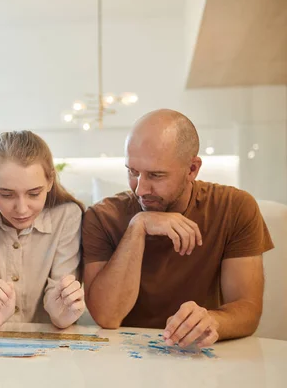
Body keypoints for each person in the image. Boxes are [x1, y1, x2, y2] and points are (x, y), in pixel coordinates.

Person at [83, 109, 273, 348]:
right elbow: (107, 317)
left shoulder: (235, 208)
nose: (140, 189)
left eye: (156, 175)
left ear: (192, 169)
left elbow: (247, 309)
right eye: (132, 172)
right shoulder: (101, 217)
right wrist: (137, 226)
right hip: (125, 355)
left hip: (201, 354)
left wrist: (213, 321)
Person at [0, 130, 86, 329]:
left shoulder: (67, 215)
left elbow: (59, 298)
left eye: (34, 193)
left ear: (50, 182)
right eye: (6, 194)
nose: (22, 209)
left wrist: (62, 311)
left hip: (47, 343)